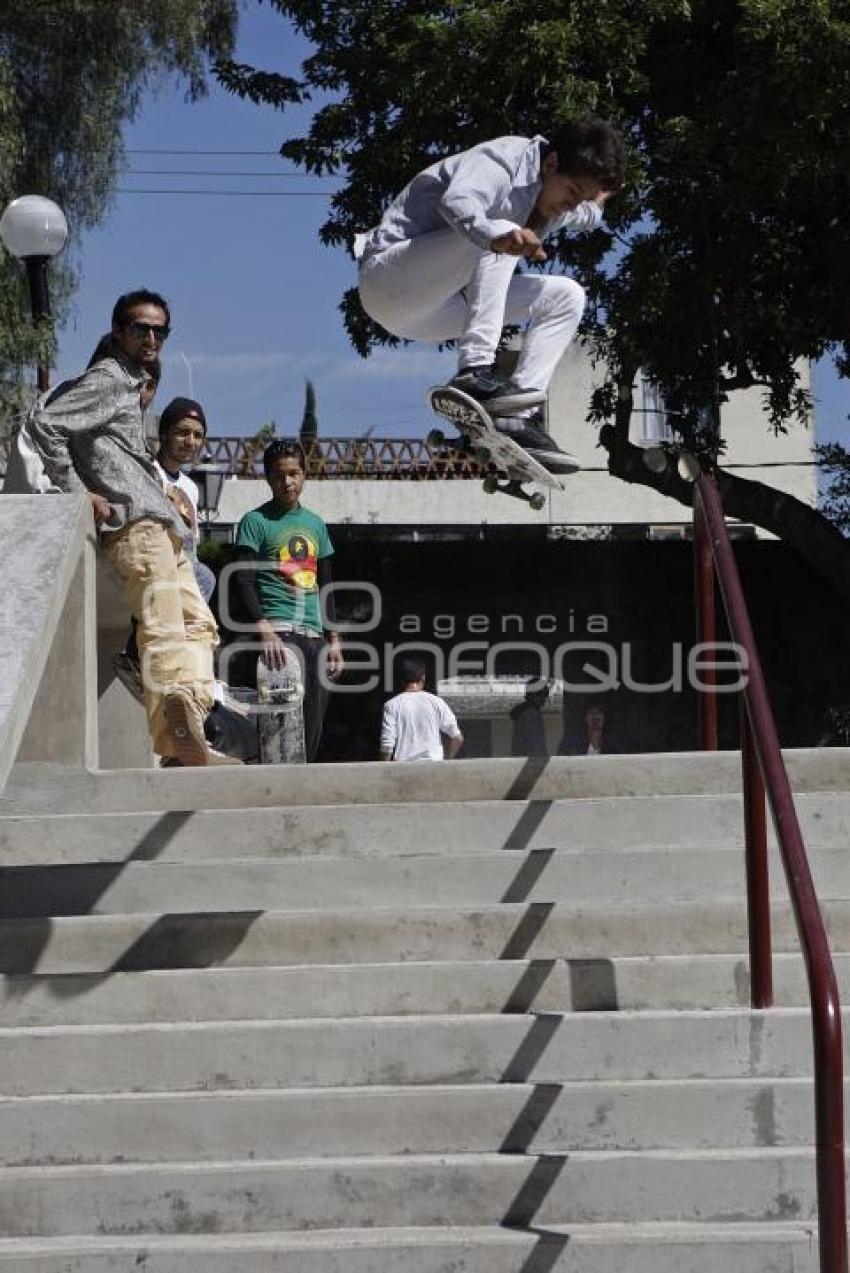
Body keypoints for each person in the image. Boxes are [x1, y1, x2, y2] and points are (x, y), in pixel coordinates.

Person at [23, 288, 236, 767]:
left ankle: (188, 731)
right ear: (119, 330)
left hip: (162, 528)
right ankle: (175, 724)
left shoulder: (129, 386)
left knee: (200, 625)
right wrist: (78, 490)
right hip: (136, 529)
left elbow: (117, 455)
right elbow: (45, 423)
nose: (152, 337)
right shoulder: (109, 378)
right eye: (142, 327)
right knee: (162, 623)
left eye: (161, 330)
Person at [356, 115, 626, 474]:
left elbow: (590, 214)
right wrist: (493, 237)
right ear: (551, 163)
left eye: (581, 199)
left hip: (432, 312)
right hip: (389, 277)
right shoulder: (503, 160)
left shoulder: (565, 201)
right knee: (503, 226)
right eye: (572, 193)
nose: (570, 206)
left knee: (567, 296)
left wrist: (600, 197)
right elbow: (457, 203)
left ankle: (516, 418)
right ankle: (474, 372)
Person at [232, 439, 344, 761]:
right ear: (268, 478)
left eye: (294, 473)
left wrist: (333, 639)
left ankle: (301, 791)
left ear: (305, 474)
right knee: (281, 727)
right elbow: (243, 579)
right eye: (280, 475)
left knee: (313, 726)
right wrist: (263, 628)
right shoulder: (256, 521)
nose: (288, 482)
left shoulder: (316, 524)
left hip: (315, 636)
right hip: (279, 634)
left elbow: (326, 584)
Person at [112, 395, 217, 701]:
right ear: (166, 432)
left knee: (204, 578)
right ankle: (137, 648)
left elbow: (191, 542)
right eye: (183, 432)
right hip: (149, 554)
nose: (190, 441)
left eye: (197, 435)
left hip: (182, 561)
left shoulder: (191, 487)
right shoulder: (147, 472)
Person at [380, 657, 463, 762]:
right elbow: (457, 738)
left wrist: (384, 769)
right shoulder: (437, 702)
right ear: (423, 678)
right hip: (434, 767)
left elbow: (387, 745)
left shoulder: (391, 705)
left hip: (404, 769)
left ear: (401, 680)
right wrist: (447, 761)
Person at [510, 680, 550, 757]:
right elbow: (537, 745)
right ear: (533, 695)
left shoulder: (524, 714)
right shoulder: (531, 715)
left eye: (545, 694)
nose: (544, 698)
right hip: (530, 762)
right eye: (542, 694)